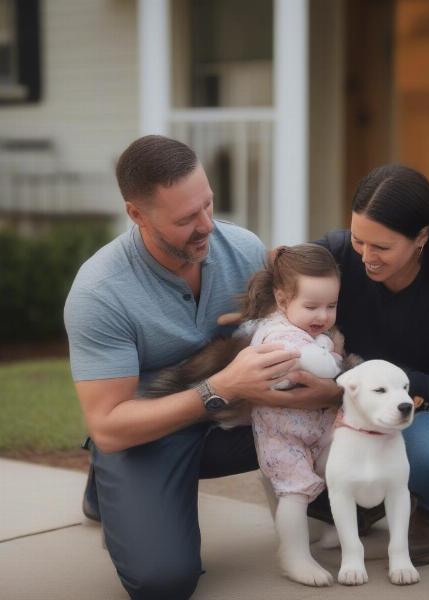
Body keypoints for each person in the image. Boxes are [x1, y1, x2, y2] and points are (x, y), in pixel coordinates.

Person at [63, 135, 341, 600]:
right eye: (186, 218)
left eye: (208, 205)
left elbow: (293, 329)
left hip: (240, 421)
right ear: (137, 214)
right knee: (163, 583)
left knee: (360, 472)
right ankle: (110, 484)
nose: (207, 226)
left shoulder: (245, 250)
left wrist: (322, 390)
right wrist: (222, 386)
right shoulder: (99, 294)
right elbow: (110, 425)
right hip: (149, 430)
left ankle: (119, 489)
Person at [312, 163, 429, 565]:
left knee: (425, 454)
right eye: (359, 240)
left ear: (421, 238)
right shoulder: (338, 252)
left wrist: (380, 382)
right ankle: (373, 497)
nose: (366, 258)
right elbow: (284, 281)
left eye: (382, 247)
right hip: (357, 397)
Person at [240, 244, 343, 586]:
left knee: (344, 460)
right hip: (282, 436)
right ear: (282, 301)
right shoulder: (279, 334)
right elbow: (325, 365)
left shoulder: (304, 330)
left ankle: (337, 527)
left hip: (315, 427)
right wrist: (331, 352)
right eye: (311, 306)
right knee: (294, 494)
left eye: (331, 306)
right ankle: (293, 555)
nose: (323, 317)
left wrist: (324, 342)